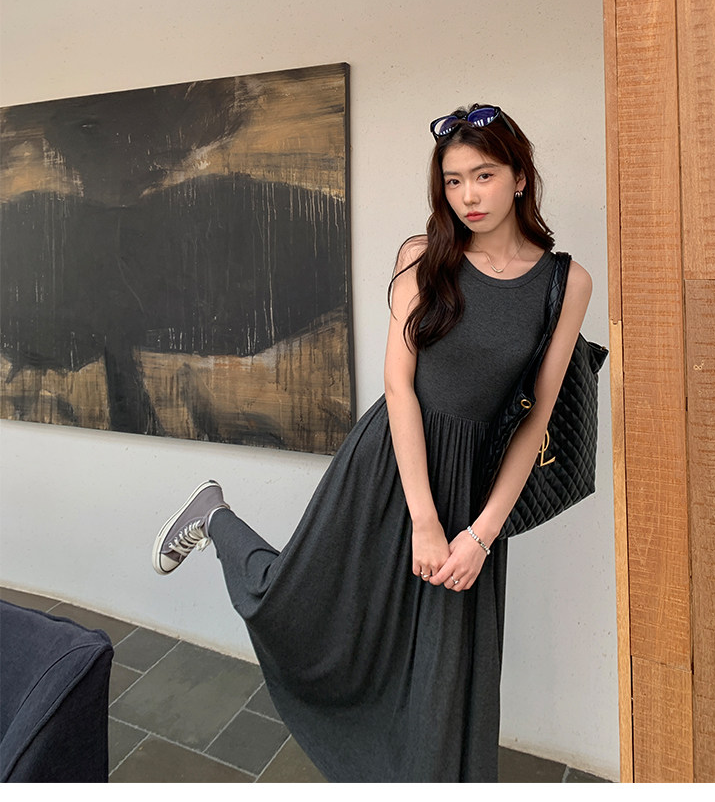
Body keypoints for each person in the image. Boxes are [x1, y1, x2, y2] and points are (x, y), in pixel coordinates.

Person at [151, 103, 592, 783]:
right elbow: (399, 384)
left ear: (520, 177)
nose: (468, 195)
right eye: (452, 181)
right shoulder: (425, 257)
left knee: (449, 670)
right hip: (390, 466)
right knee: (301, 605)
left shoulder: (565, 283)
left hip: (476, 492)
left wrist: (479, 535)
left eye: (483, 175)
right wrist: (424, 520)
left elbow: (535, 420)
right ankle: (216, 518)